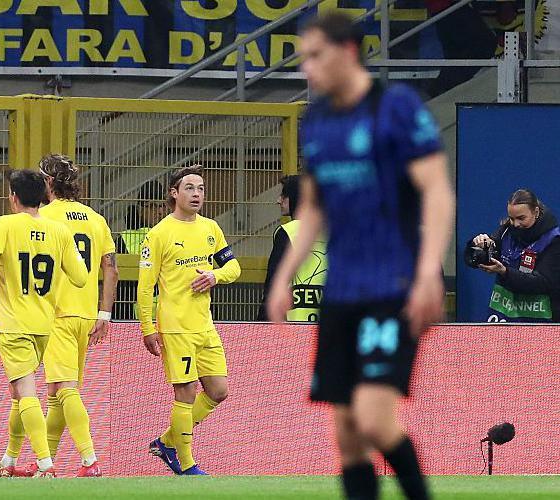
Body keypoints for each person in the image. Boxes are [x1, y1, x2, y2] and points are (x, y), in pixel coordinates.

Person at [267, 14, 454, 500]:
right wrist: (284, 276)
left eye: (314, 55)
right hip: (342, 294)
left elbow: (436, 192)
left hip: (391, 287)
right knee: (347, 431)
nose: (306, 69)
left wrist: (429, 273)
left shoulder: (396, 108)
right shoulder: (317, 121)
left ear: (348, 50)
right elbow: (312, 209)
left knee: (373, 417)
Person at [0, 169, 88, 479]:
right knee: (19, 393)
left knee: (25, 392)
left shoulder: (4, 225)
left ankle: (46, 464)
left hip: (13, 323)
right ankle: (10, 459)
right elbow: (80, 278)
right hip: (44, 324)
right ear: (42, 196)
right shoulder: (59, 231)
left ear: (13, 197)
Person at [139, 165, 242, 476]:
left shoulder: (211, 228)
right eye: (190, 188)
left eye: (200, 189)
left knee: (218, 390)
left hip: (205, 325)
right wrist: (148, 329)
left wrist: (215, 275)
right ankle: (186, 465)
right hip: (175, 326)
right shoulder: (158, 234)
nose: (197, 194)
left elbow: (234, 268)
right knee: (184, 392)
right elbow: (145, 288)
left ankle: (168, 442)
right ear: (174, 193)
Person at [36, 154, 118, 477]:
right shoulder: (95, 219)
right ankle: (46, 463)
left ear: (49, 183)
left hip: (56, 313)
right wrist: (104, 314)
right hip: (87, 315)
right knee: (57, 393)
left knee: (65, 388)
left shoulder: (43, 216)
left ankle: (90, 460)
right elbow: (110, 269)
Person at [469, 189, 560, 322]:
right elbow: (477, 258)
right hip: (504, 317)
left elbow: (543, 283)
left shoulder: (554, 240)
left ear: (536, 212)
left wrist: (505, 272)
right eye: (511, 218)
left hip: (542, 320)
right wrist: (479, 245)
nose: (515, 224)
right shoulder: (507, 230)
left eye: (521, 218)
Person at [257, 175, 328, 322]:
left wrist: (263, 321)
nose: (279, 200)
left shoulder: (288, 231)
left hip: (295, 325)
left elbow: (274, 280)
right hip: (330, 322)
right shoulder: (334, 229)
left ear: (296, 197)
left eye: (284, 194)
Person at [115, 180, 165, 320]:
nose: (159, 211)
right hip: (133, 317)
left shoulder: (172, 235)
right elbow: (121, 289)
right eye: (152, 206)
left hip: (168, 316)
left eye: (162, 206)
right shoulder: (124, 239)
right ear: (139, 209)